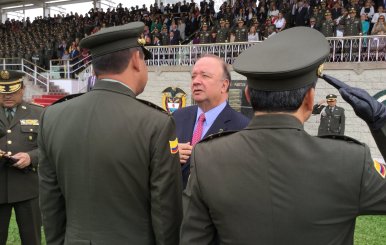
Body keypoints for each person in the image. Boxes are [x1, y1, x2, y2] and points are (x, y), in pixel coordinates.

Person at [180, 27, 386, 244]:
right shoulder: (350, 161)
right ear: (309, 99)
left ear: (248, 95)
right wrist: (381, 122)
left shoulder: (207, 157)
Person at [38, 22, 182, 244]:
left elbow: (50, 203)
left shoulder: (52, 117)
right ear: (136, 60)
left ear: (96, 67)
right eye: (144, 59)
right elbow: (166, 212)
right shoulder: (156, 123)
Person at [173, 54, 250, 189]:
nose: (196, 81)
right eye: (193, 76)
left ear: (224, 85)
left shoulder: (242, 128)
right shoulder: (178, 117)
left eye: (205, 76)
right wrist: (170, 154)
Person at [0, 70, 43, 245]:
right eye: (3, 92)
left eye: (12, 92)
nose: (7, 96)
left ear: (23, 89)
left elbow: (49, 148)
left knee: (31, 238)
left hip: (28, 188)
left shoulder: (38, 113)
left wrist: (31, 156)